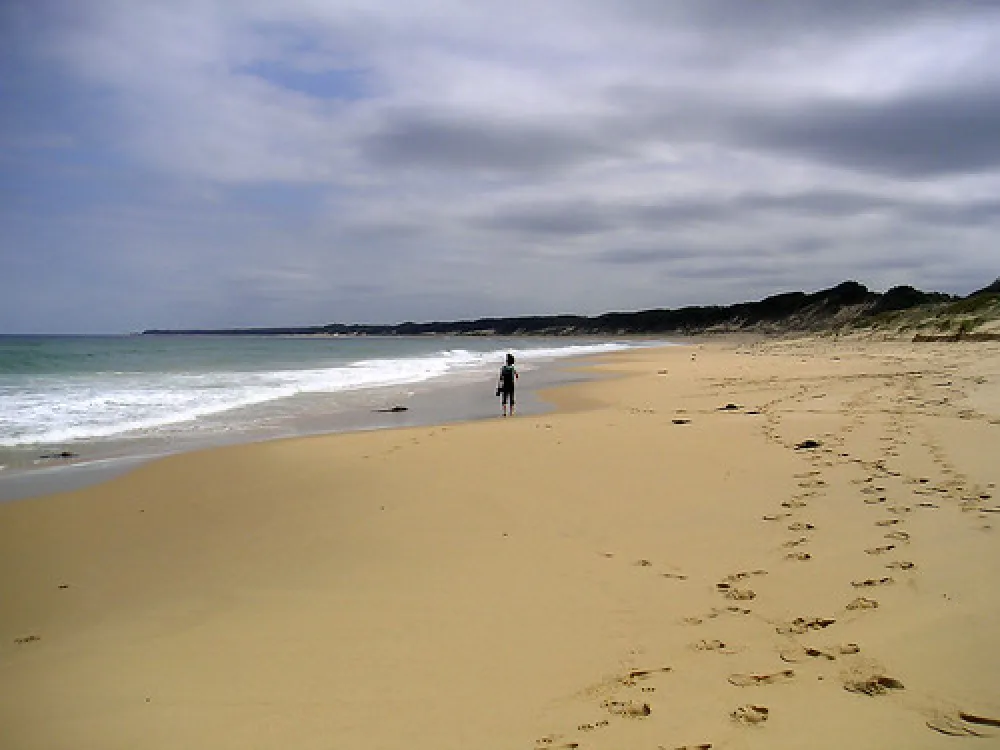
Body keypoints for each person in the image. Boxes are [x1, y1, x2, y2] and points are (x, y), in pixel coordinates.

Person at [497, 352, 519, 417]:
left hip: (505, 385)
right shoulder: (512, 368)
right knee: (511, 398)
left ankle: (504, 413)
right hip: (511, 385)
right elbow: (517, 376)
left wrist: (499, 387)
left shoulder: (503, 368)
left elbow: (501, 378)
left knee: (504, 399)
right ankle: (511, 413)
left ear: (506, 361)